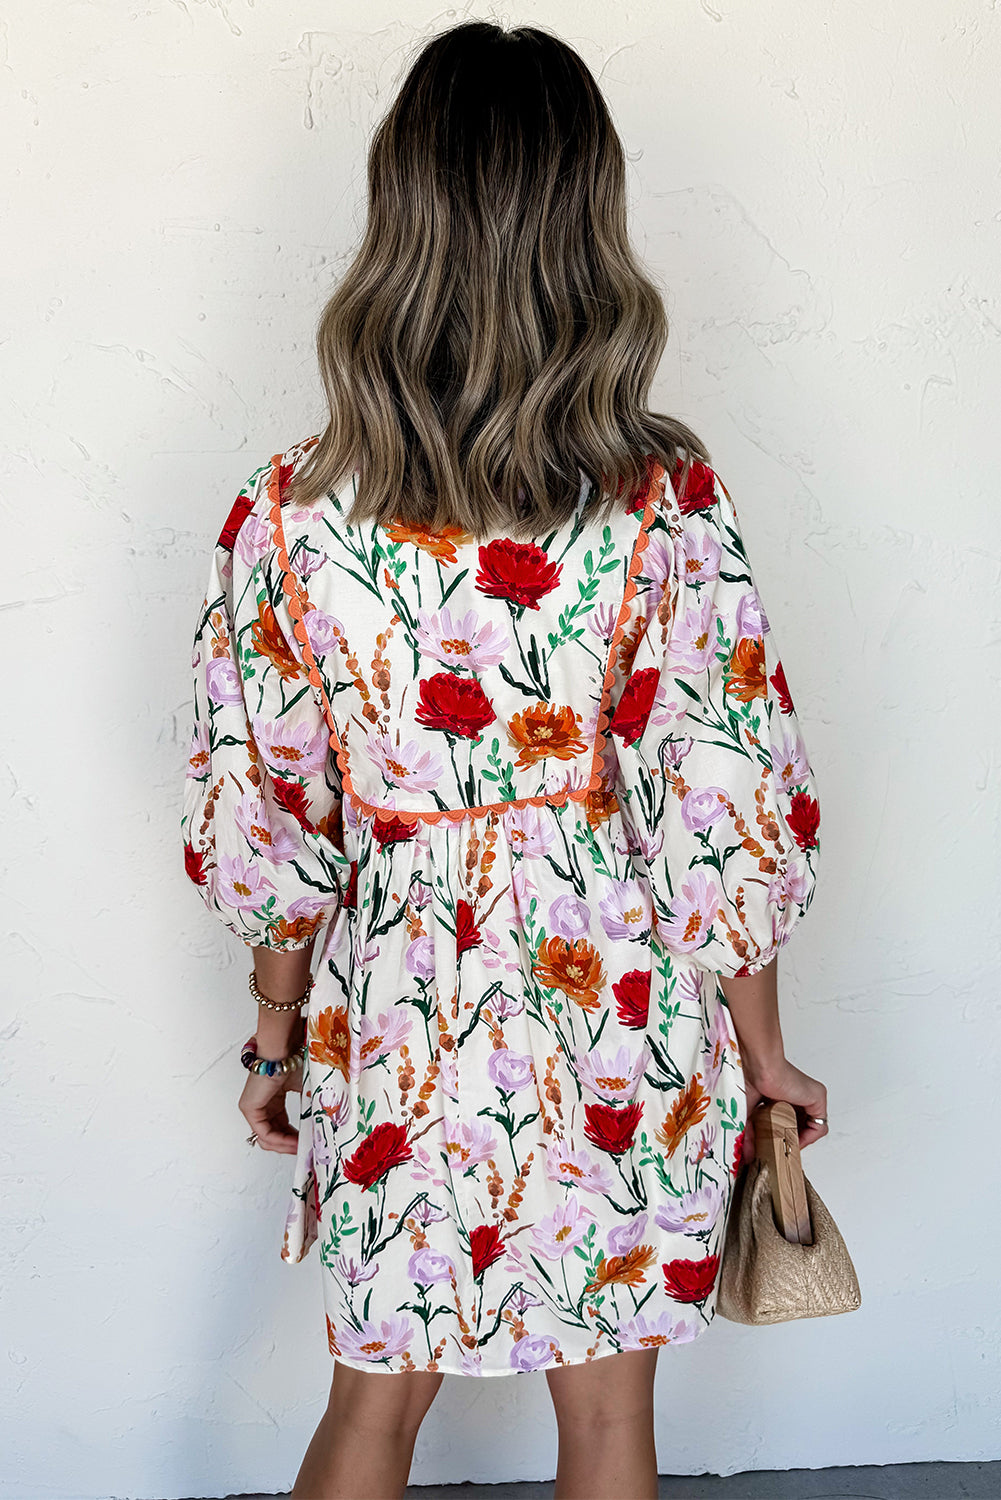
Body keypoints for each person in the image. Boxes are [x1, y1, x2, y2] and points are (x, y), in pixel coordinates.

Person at [181, 20, 827, 1500]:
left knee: (370, 1412)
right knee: (606, 1424)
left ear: (398, 213)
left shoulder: (287, 512)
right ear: (586, 220)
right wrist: (764, 1056)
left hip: (399, 1012)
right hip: (618, 1004)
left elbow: (270, 813)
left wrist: (274, 1041)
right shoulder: (663, 498)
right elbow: (722, 800)